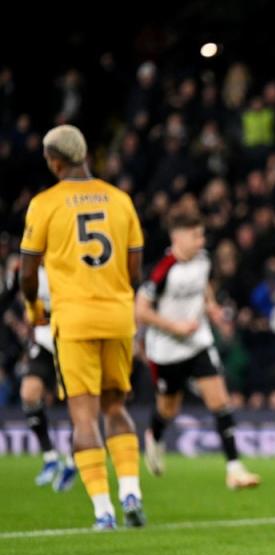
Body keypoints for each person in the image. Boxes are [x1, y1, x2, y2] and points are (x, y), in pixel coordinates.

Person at [20, 125, 146, 530]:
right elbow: (135, 269)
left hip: (73, 319)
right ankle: (131, 492)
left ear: (55, 161)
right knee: (116, 407)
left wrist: (33, 305)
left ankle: (103, 511)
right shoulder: (120, 200)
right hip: (117, 316)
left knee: (84, 417)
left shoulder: (44, 204)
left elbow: (27, 272)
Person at [136, 211, 260, 489]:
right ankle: (154, 436)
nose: (201, 240)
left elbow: (203, 287)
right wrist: (174, 327)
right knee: (169, 408)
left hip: (198, 342)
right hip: (167, 349)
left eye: (201, 234)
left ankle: (234, 469)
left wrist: (212, 307)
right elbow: (141, 310)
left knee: (220, 400)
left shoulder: (203, 260)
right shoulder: (163, 270)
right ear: (177, 237)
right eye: (196, 235)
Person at [20, 265, 77, 492]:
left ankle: (73, 462)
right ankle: (50, 457)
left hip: (73, 340)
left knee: (79, 407)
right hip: (45, 341)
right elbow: (26, 305)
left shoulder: (67, 263)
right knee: (29, 393)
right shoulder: (29, 268)